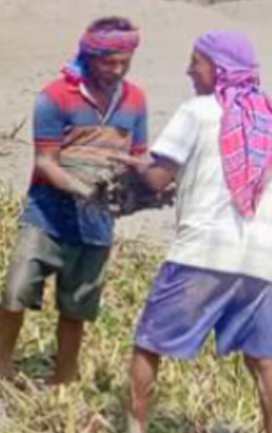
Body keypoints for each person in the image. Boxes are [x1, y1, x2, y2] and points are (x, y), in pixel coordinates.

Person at [119, 31, 272, 433]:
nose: (189, 70)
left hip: (202, 253)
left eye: (196, 62)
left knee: (149, 342)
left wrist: (136, 167)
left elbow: (156, 179)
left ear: (219, 69)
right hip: (261, 261)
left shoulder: (198, 111)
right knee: (263, 357)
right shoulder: (267, 117)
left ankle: (135, 428)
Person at [0, 17, 149, 384]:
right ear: (90, 55)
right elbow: (46, 163)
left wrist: (142, 190)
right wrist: (86, 192)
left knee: (76, 306)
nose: (117, 69)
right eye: (109, 61)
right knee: (16, 290)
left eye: (124, 61)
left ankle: (63, 378)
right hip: (47, 214)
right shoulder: (55, 96)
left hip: (97, 223)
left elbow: (138, 157)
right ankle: (1, 363)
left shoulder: (136, 100)